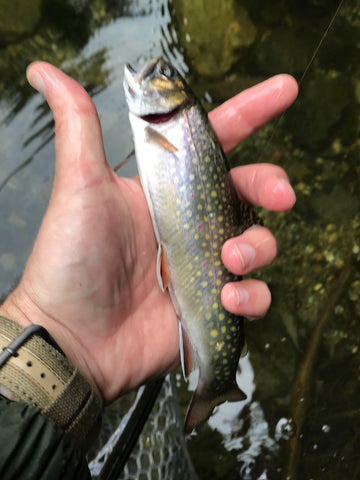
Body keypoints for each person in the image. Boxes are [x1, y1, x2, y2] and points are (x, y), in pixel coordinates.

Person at [0, 62, 297, 479]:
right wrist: (51, 335)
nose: (151, 73)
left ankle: (216, 380)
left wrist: (46, 340)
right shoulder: (168, 123)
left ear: (173, 101)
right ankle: (217, 382)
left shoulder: (175, 122)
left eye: (166, 78)